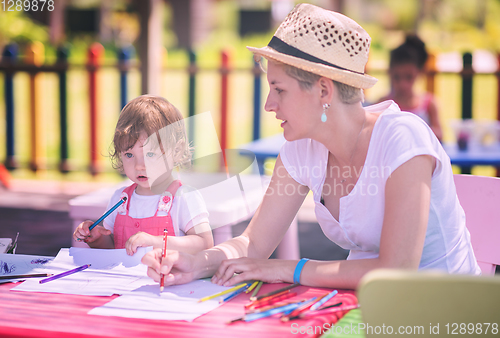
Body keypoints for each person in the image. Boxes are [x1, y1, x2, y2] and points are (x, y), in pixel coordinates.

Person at [142, 3, 480, 290]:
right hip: (368, 310)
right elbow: (253, 243)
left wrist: (288, 268)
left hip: (444, 314)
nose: (268, 105)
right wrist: (194, 263)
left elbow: (397, 271)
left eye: (280, 89)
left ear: (323, 91)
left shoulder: (402, 139)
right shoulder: (302, 150)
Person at [73, 95, 214, 256]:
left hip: (167, 280)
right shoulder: (120, 200)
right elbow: (113, 248)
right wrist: (97, 239)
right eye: (129, 155)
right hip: (124, 280)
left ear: (176, 150)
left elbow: (204, 243)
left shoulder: (184, 197)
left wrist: (156, 242)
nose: (139, 165)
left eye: (151, 154)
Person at [378, 34, 443, 141]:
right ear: (389, 73)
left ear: (420, 72)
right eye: (397, 77)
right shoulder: (382, 104)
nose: (403, 84)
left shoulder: (428, 104)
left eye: (408, 77)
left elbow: (440, 135)